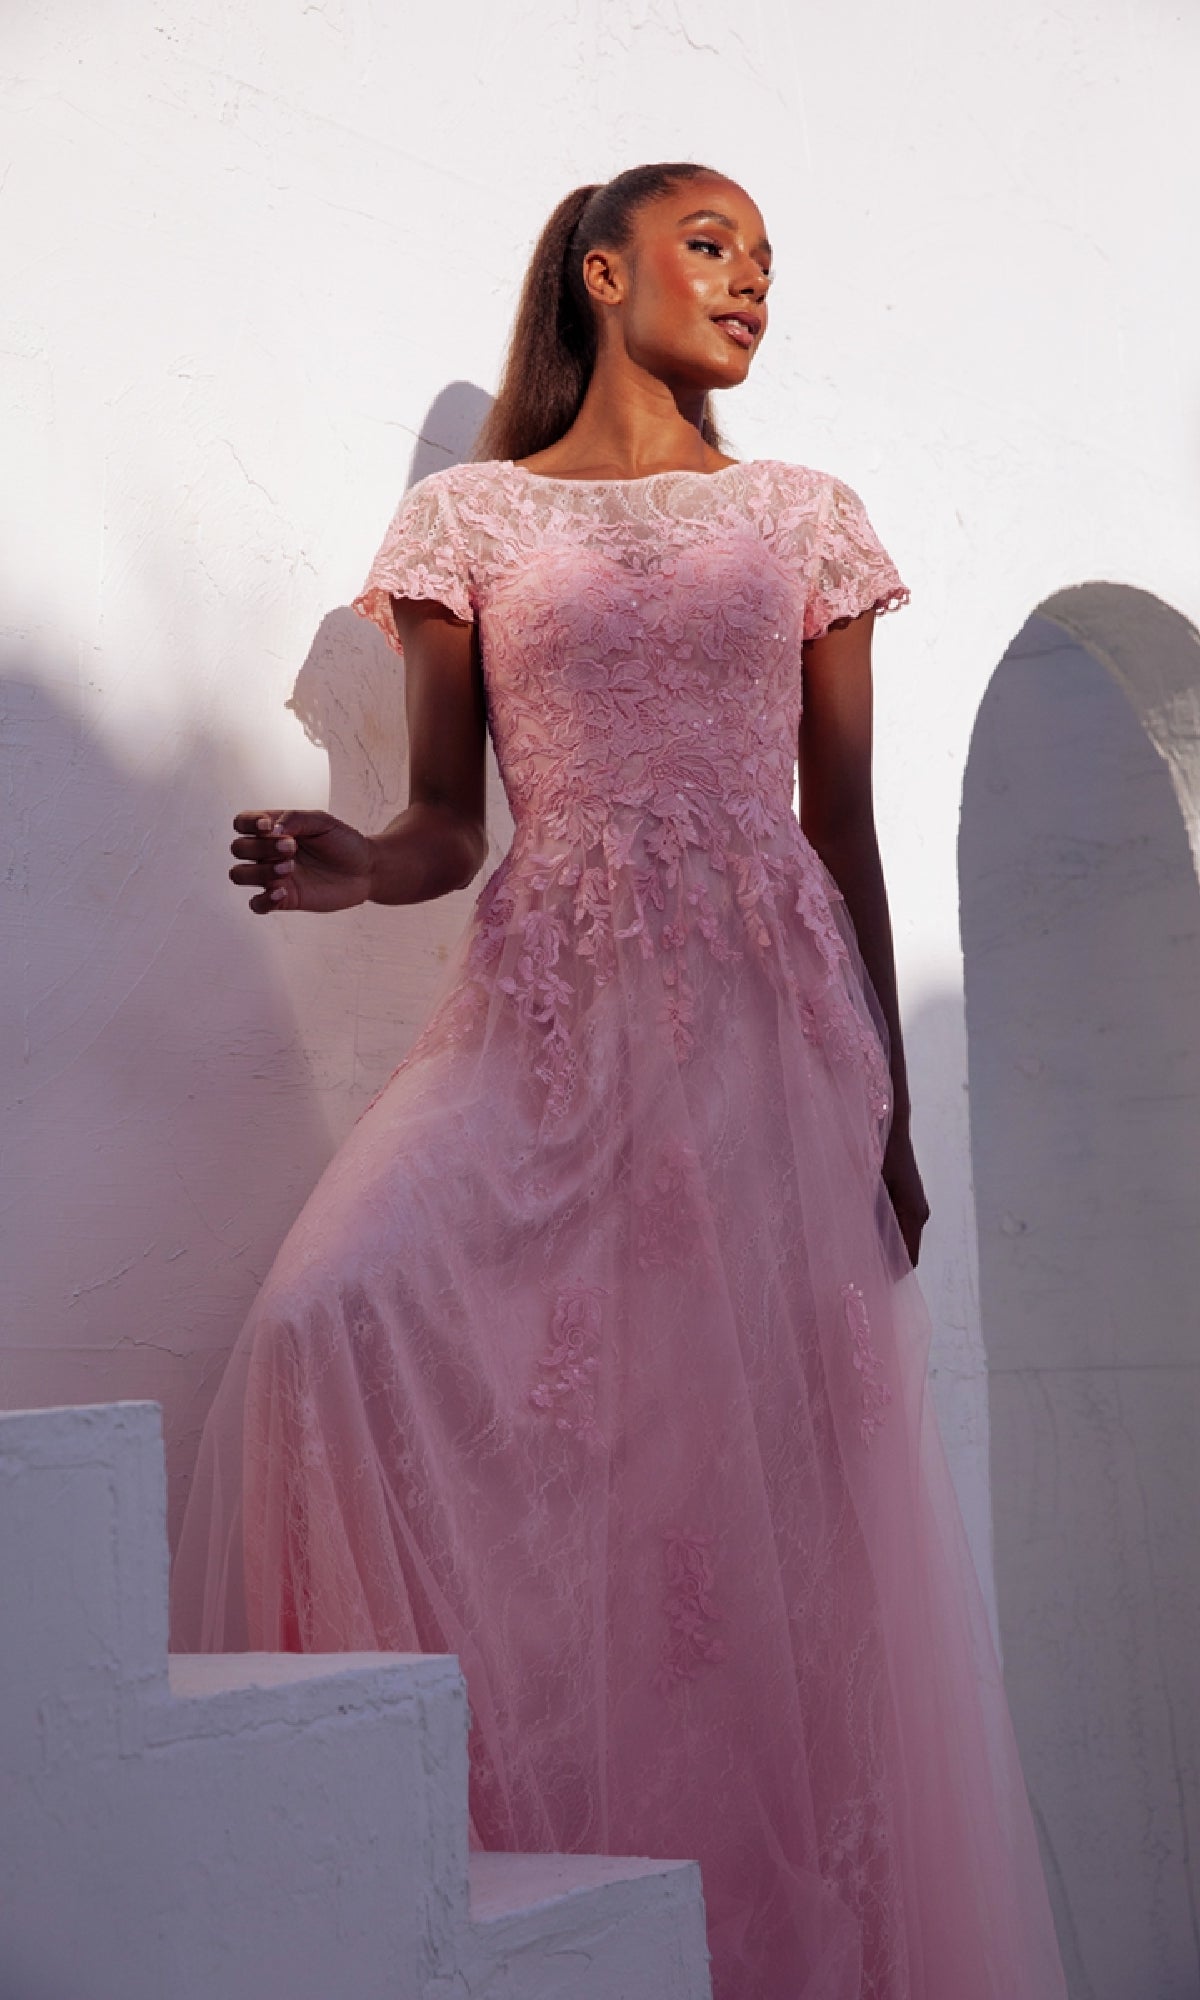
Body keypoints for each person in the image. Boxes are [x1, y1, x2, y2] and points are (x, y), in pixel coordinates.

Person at [172, 163, 1068, 2000]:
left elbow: (846, 831)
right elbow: (444, 822)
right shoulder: (466, 521)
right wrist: (360, 860)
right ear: (603, 273)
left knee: (760, 1513)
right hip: (554, 1014)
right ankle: (459, 1868)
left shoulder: (809, 518)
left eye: (766, 263)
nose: (750, 287)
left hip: (771, 1037)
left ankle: (785, 1942)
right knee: (328, 1322)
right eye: (711, 247)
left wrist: (887, 1102)